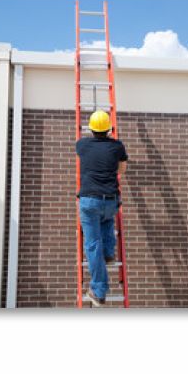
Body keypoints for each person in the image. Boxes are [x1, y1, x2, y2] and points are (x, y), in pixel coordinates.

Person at [76, 110, 128, 307]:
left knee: (92, 245)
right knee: (106, 221)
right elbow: (122, 169)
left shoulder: (81, 145)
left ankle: (98, 291)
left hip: (90, 201)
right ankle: (108, 254)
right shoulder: (117, 146)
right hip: (110, 200)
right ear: (108, 129)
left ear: (90, 128)